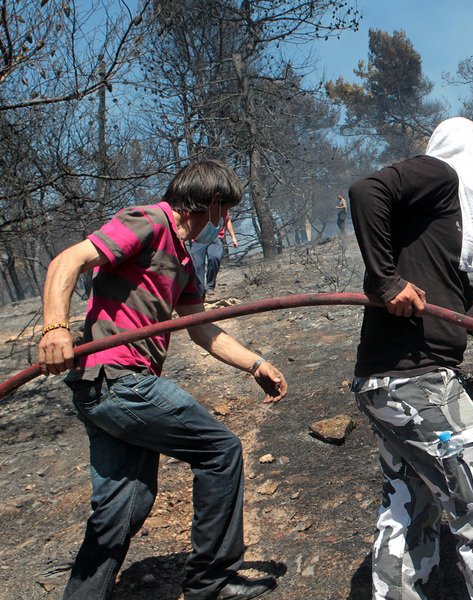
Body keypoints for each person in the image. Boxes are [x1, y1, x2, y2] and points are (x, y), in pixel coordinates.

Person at [37, 159, 288, 600]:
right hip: (119, 379)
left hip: (105, 389)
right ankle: (211, 583)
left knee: (124, 504)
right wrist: (54, 327)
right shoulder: (149, 222)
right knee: (220, 451)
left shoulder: (185, 260)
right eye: (225, 211)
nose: (225, 223)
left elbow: (202, 327)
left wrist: (255, 364)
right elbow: (69, 259)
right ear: (212, 204)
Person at [348, 117, 473, 600]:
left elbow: (458, 287)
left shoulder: (435, 219)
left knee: (410, 505)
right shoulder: (439, 174)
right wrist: (386, 281)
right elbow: (365, 190)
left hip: (391, 382)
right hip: (417, 380)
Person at [190, 209, 238, 300]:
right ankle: (200, 291)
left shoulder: (220, 206)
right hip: (198, 238)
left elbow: (227, 220)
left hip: (216, 237)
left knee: (215, 257)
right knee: (198, 265)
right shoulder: (197, 204)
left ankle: (210, 286)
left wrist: (233, 237)